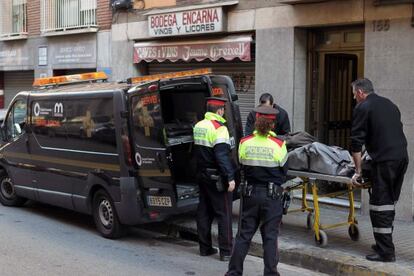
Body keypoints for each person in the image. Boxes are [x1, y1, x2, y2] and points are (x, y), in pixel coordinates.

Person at [350, 78, 408, 263]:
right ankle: (384, 244)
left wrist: (358, 172)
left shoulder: (363, 107)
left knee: (380, 205)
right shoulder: (389, 104)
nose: (353, 97)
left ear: (360, 92)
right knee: (389, 203)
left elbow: (356, 143)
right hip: (401, 158)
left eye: (353, 94)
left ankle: (386, 253)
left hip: (385, 162)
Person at [226, 106, 288, 276]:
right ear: (272, 125)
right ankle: (270, 273)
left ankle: (233, 272)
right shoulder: (279, 145)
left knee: (243, 236)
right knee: (270, 237)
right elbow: (284, 173)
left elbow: (240, 165)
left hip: (250, 195)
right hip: (272, 197)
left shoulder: (244, 142)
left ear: (255, 123)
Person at [193, 97, 236, 261]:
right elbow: (222, 156)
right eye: (223, 109)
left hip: (202, 175)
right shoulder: (219, 128)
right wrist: (230, 177)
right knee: (224, 214)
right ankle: (225, 252)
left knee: (203, 212)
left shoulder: (198, 126)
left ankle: (205, 248)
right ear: (219, 111)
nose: (224, 112)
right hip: (217, 177)